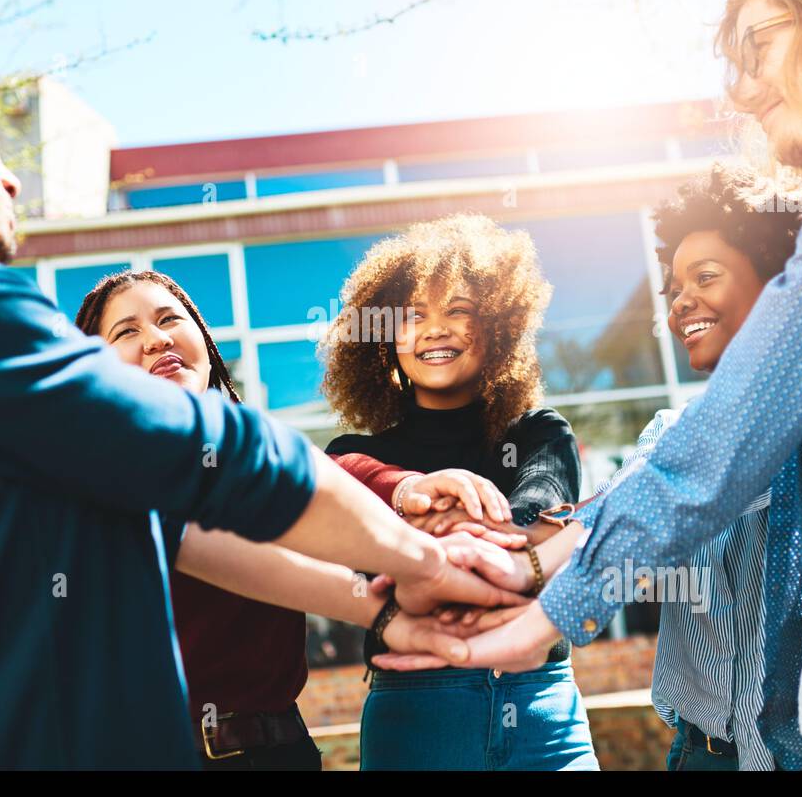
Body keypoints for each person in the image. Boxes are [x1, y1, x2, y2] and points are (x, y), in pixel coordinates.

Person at [0, 32, 526, 769]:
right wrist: (421, 561)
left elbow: (179, 534)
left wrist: (383, 606)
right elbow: (231, 458)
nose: (9, 180)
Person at [388, 0, 802, 771]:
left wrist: (547, 613)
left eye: (761, 45)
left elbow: (733, 434)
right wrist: (536, 556)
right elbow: (713, 456)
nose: (746, 90)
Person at [74, 268, 522, 768]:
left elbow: (321, 475)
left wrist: (408, 490)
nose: (157, 339)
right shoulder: (88, 477)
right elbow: (197, 531)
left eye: (169, 319)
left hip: (278, 753)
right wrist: (386, 606)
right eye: (127, 331)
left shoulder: (235, 450)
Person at [322, 214, 600, 770]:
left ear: (495, 328)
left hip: (538, 702)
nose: (435, 328)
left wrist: (438, 538)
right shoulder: (351, 454)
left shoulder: (538, 432)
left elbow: (541, 514)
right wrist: (494, 541)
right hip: (417, 710)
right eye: (414, 316)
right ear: (384, 344)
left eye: (459, 310)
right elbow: (344, 543)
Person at [584, 166, 802, 770]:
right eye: (673, 289)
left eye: (705, 277)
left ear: (776, 280)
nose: (682, 302)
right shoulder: (669, 432)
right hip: (698, 753)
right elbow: (610, 524)